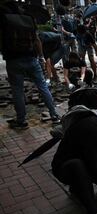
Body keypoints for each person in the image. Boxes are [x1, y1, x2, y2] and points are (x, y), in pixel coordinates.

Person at [0, 1, 60, 129]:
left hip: (13, 60)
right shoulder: (29, 19)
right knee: (43, 86)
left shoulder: (5, 19)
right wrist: (41, 57)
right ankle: (54, 115)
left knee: (17, 90)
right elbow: (37, 40)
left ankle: (21, 121)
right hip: (32, 58)